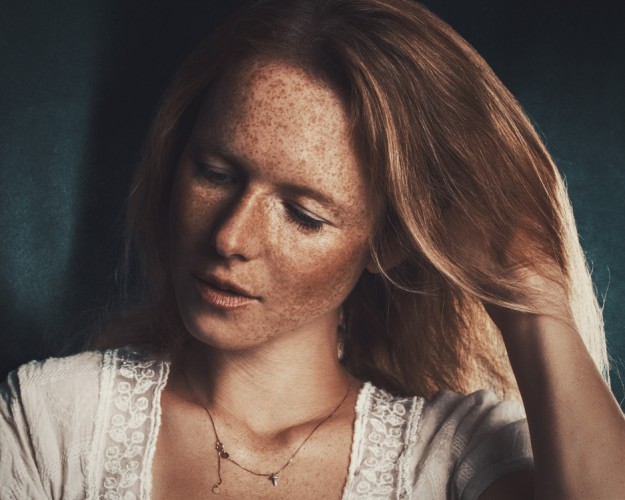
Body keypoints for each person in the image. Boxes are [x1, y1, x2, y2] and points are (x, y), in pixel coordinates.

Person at [1, 0, 624, 498]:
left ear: (389, 245)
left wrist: (529, 293)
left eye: (303, 214)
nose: (229, 238)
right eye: (215, 174)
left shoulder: (451, 457)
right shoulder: (56, 420)